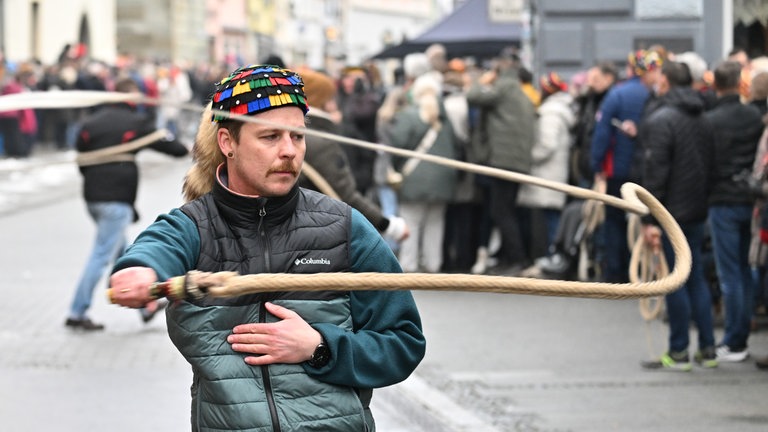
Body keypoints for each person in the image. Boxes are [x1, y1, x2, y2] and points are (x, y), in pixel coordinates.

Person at [109, 64, 426, 431]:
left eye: (298, 137)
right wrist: (138, 271)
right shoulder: (194, 226)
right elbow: (156, 248)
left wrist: (320, 347)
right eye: (270, 137)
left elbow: (403, 343)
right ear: (228, 143)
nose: (289, 152)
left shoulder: (343, 227)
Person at [65, 77, 189, 331]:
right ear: (133, 98)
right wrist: (184, 148)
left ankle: (146, 306)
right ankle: (76, 311)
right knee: (101, 254)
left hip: (92, 198)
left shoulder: (91, 122)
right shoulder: (135, 122)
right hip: (116, 199)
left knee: (122, 252)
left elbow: (82, 155)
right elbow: (170, 146)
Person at [637, 61, 717, 370]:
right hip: (697, 210)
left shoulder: (661, 120)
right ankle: (708, 349)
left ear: (666, 82)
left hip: (671, 213)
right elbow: (712, 168)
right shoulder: (705, 119)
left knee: (675, 280)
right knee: (695, 276)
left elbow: (655, 174)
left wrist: (649, 219)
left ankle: (680, 350)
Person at [296, 67, 409, 244]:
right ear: (322, 101)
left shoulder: (300, 136)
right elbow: (347, 196)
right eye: (331, 98)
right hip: (319, 232)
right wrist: (390, 226)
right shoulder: (321, 143)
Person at [705, 60, 764, 363]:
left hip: (723, 200)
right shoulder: (754, 116)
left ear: (715, 85)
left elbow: (707, 163)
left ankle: (734, 340)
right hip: (751, 199)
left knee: (730, 273)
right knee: (746, 268)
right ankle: (743, 330)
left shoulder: (711, 120)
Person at [590, 49, 662, 283]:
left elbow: (601, 134)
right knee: (648, 221)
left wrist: (597, 164)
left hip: (618, 172)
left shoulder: (617, 94)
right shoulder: (657, 96)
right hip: (650, 171)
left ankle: (616, 273)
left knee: (614, 222)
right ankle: (645, 272)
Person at [465, 47, 537, 274]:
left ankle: (518, 259)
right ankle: (511, 257)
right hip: (516, 160)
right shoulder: (520, 91)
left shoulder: (504, 87)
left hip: (503, 160)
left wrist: (480, 81)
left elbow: (472, 96)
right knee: (507, 210)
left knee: (500, 211)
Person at [388, 74, 458, 273]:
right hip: (443, 180)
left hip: (413, 178)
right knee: (435, 224)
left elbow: (397, 146)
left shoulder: (409, 116)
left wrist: (397, 169)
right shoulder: (446, 120)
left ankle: (409, 266)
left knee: (411, 222)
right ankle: (433, 264)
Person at [518, 72, 575, 259]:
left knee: (549, 221)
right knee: (551, 218)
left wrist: (529, 157)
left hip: (547, 174)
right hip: (554, 173)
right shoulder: (560, 109)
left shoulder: (551, 113)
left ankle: (551, 258)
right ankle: (553, 256)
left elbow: (547, 145)